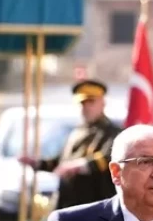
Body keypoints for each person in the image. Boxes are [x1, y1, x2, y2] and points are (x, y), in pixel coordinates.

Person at [20, 80, 120, 210]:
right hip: (69, 203)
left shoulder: (112, 132)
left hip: (95, 205)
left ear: (103, 103)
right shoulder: (77, 132)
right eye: (82, 103)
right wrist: (38, 163)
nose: (86, 107)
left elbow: (108, 158)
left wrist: (78, 166)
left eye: (91, 102)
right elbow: (61, 163)